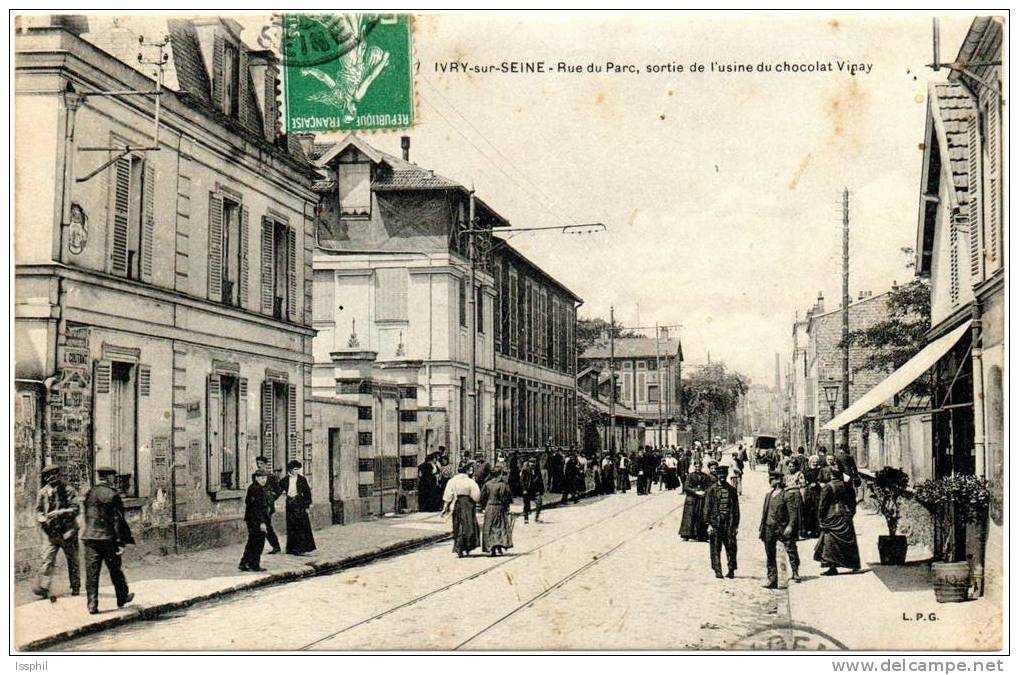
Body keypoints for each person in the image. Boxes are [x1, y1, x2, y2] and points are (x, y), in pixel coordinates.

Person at [81, 466, 134, 614]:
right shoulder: (113, 495)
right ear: (110, 478)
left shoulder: (89, 493)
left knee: (92, 573)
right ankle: (122, 597)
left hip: (90, 537)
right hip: (108, 539)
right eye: (113, 477)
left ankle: (92, 604)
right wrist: (120, 541)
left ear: (99, 477)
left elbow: (87, 516)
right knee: (115, 570)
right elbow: (118, 521)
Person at [32, 464, 80, 600]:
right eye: (48, 475)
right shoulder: (43, 492)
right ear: (45, 478)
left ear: (58, 475)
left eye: (54, 474)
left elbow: (75, 509)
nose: (51, 477)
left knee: (73, 560)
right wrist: (41, 518)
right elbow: (38, 510)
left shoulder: (68, 489)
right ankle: (44, 588)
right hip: (51, 533)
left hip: (68, 532)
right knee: (47, 560)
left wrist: (59, 513)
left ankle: (75, 587)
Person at [814, 467, 862, 575]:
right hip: (845, 514)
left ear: (831, 475)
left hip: (832, 515)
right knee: (849, 540)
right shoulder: (847, 485)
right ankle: (854, 565)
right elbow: (852, 500)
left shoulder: (827, 487)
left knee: (830, 541)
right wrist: (851, 512)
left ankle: (832, 567)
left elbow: (822, 505)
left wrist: (821, 519)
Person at [760, 470, 800, 589]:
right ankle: (772, 579)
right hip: (769, 528)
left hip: (782, 527)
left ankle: (795, 571)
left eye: (772, 479)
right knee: (770, 554)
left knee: (791, 549)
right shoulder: (768, 495)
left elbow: (793, 513)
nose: (770, 481)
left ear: (778, 481)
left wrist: (790, 526)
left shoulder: (786, 495)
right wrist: (762, 527)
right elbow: (765, 512)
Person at [705, 465, 740, 579]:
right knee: (715, 547)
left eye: (724, 475)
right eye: (720, 475)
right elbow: (707, 508)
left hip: (728, 522)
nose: (722, 477)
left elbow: (736, 509)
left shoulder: (732, 490)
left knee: (731, 546)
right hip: (716, 522)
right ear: (717, 476)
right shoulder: (711, 490)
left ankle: (731, 569)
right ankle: (717, 570)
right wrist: (708, 524)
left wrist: (735, 525)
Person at [442, 465, 481, 557]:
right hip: (468, 504)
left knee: (457, 525)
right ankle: (466, 546)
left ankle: (458, 546)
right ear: (467, 470)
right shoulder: (470, 481)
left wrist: (445, 507)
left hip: (457, 504)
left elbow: (448, 495)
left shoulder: (452, 481)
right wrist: (474, 501)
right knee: (469, 525)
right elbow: (476, 495)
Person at [279, 460, 316, 555]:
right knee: (291, 526)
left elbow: (307, 493)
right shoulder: (285, 480)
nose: (297, 471)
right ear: (290, 469)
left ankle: (302, 548)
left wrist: (307, 506)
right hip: (290, 504)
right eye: (295, 469)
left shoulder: (302, 479)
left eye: (298, 469)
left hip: (300, 503)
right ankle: (291, 549)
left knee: (301, 526)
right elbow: (278, 490)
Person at [239, 470, 272, 572]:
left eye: (265, 478)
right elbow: (256, 508)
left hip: (253, 519)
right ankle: (254, 564)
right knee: (257, 542)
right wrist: (261, 522)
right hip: (256, 520)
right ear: (256, 478)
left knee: (253, 542)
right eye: (262, 478)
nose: (264, 480)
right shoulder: (256, 489)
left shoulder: (255, 488)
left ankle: (245, 563)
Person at [479, 466, 514, 556]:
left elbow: (482, 497)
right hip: (499, 507)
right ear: (499, 474)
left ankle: (492, 547)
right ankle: (499, 545)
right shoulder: (503, 485)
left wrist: (483, 507)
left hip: (489, 507)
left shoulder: (487, 484)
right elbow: (508, 498)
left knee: (490, 527)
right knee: (500, 527)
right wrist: (507, 507)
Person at [679, 460, 712, 541]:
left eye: (699, 466)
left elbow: (709, 487)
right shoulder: (690, 476)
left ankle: (698, 535)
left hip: (701, 499)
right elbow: (686, 487)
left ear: (701, 467)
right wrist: (696, 492)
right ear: (694, 467)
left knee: (699, 516)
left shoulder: (705, 476)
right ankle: (686, 534)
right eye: (696, 466)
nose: (697, 468)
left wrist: (704, 492)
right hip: (692, 498)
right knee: (689, 517)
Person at [255, 456, 283, 554]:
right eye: (257, 463)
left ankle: (276, 546)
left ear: (266, 465)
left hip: (267, 506)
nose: (259, 465)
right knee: (261, 526)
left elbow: (279, 490)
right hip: (258, 505)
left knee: (266, 526)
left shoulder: (271, 477)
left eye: (261, 463)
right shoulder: (255, 475)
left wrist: (271, 498)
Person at [800, 455, 822, 539]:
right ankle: (808, 530)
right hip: (808, 492)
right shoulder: (806, 471)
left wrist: (817, 484)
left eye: (816, 462)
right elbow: (803, 481)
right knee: (808, 510)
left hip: (817, 492)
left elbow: (821, 480)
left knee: (817, 510)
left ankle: (817, 530)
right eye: (813, 462)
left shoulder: (820, 471)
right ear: (810, 462)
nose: (815, 463)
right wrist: (808, 484)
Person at [520, 457, 544, 524]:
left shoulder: (537, 470)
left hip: (535, 490)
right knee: (526, 505)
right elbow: (521, 481)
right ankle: (526, 518)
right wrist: (524, 489)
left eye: (534, 462)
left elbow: (540, 480)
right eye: (531, 462)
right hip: (527, 490)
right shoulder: (525, 470)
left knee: (539, 502)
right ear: (529, 463)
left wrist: (542, 490)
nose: (533, 464)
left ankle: (536, 517)